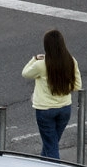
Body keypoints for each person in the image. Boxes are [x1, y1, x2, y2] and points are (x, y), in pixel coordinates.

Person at [21, 28, 82, 160]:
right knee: (51, 144)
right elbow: (77, 86)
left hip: (45, 110)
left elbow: (25, 73)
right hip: (65, 108)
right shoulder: (71, 61)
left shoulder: (41, 65)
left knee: (51, 146)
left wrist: (35, 59)